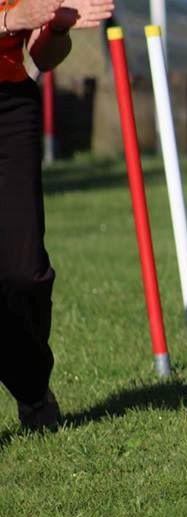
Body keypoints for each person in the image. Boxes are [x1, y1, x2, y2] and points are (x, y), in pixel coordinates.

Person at [0, 0, 113, 428]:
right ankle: (34, 398)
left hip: (11, 104)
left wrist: (57, 30)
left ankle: (31, 387)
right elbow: (16, 19)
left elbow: (41, 56)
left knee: (25, 273)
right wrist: (11, 19)